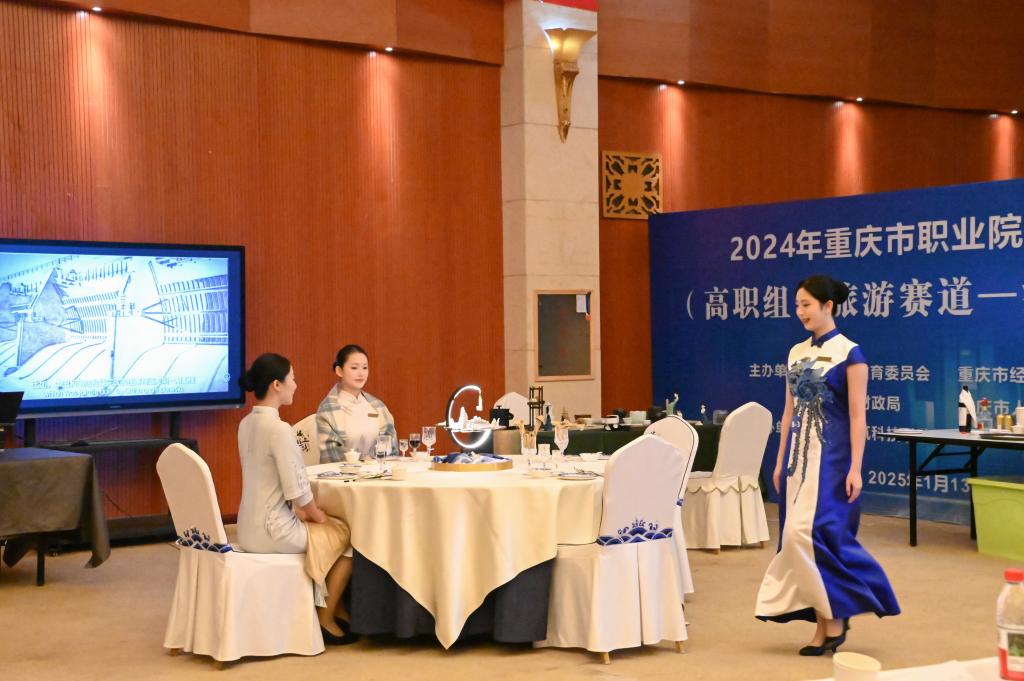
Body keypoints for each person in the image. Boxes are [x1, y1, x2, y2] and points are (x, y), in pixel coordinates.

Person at [755, 275, 899, 655]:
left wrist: (856, 467)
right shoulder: (795, 352)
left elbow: (857, 416)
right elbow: (788, 413)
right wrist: (779, 459)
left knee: (818, 536)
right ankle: (827, 623)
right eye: (797, 305)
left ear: (828, 306)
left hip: (832, 460)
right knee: (796, 540)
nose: (799, 312)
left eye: (806, 304)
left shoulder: (851, 354)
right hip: (797, 461)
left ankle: (837, 616)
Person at [236, 353, 357, 645]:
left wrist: (307, 514)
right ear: (276, 385)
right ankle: (326, 614)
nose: (296, 385)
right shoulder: (279, 429)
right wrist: (318, 516)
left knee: (326, 530)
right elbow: (299, 492)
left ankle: (335, 606)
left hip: (246, 528)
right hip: (274, 531)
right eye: (292, 379)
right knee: (349, 536)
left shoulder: (246, 424)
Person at [317, 344, 397, 463]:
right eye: (354, 368)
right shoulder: (328, 410)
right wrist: (363, 462)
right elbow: (331, 456)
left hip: (378, 471)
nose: (361, 373)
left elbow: (391, 447)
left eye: (365, 368)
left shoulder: (377, 406)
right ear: (339, 371)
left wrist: (374, 462)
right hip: (345, 473)